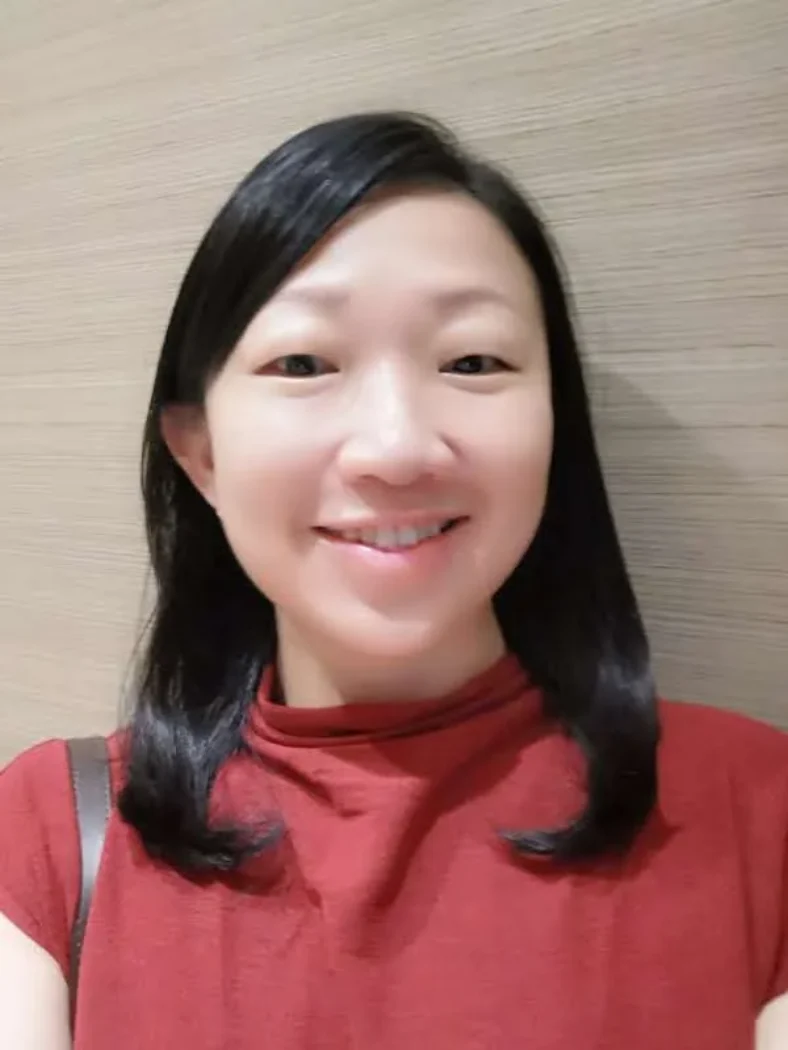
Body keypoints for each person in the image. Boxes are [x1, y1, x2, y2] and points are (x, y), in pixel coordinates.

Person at [0, 111, 786, 1050]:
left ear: (554, 427)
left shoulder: (757, 811)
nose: (397, 446)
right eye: (303, 363)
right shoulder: (49, 834)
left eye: (473, 361)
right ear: (200, 452)